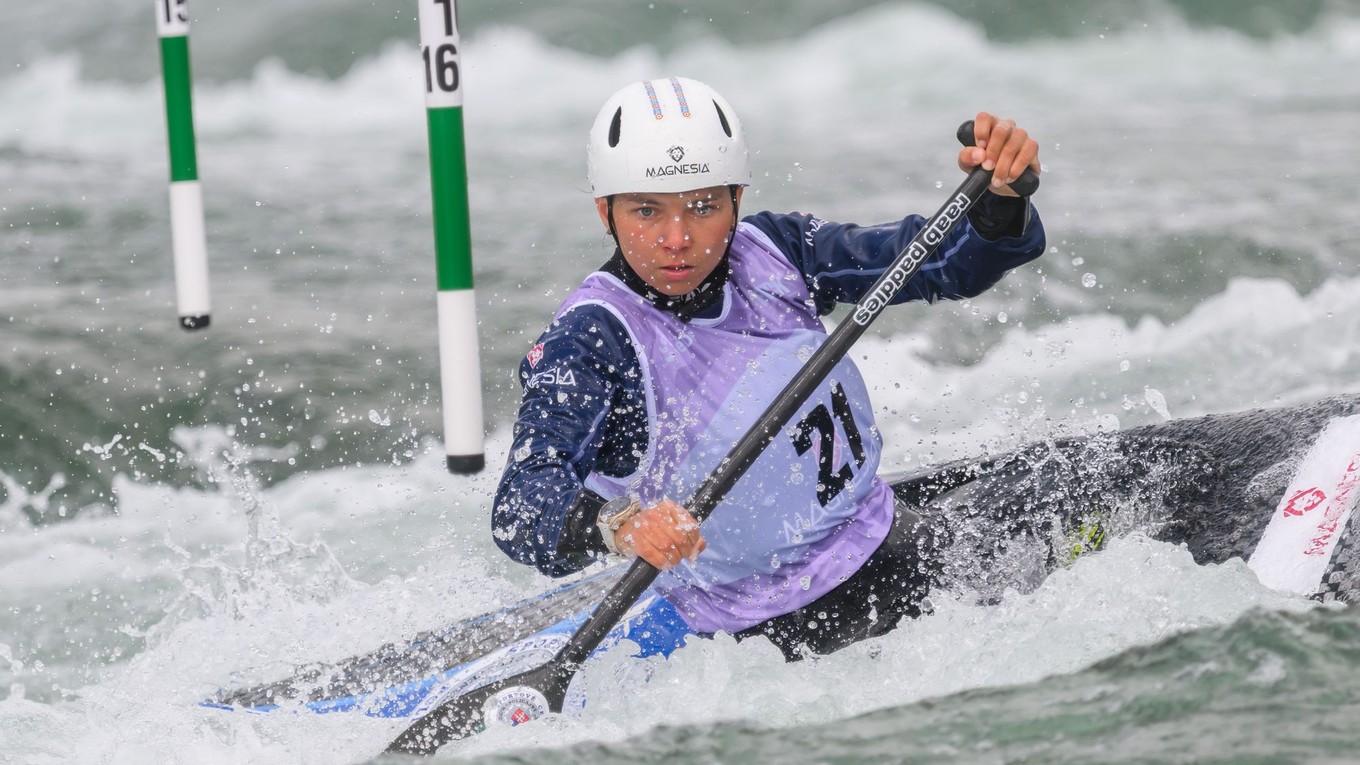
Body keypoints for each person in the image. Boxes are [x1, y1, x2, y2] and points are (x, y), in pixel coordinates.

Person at [492, 76, 1044, 659]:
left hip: (898, 544)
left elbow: (940, 264)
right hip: (763, 640)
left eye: (703, 207)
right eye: (646, 211)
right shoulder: (591, 339)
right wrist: (620, 525)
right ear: (606, 211)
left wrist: (1000, 206)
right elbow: (521, 504)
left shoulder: (778, 251)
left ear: (736, 200)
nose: (676, 239)